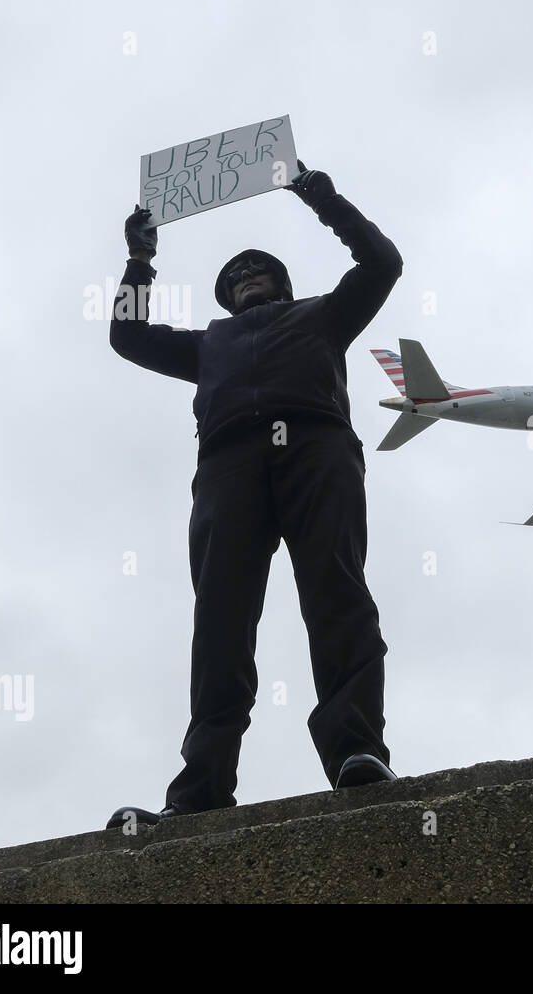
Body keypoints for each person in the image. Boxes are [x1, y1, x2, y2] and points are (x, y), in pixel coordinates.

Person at [105, 161, 403, 828]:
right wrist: (139, 259)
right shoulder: (209, 344)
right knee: (220, 625)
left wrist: (325, 199)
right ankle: (200, 792)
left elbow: (382, 260)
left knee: (337, 593)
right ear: (224, 298)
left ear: (282, 282)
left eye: (256, 268)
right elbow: (126, 335)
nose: (244, 275)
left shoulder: (324, 315)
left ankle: (358, 753)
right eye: (233, 274)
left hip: (315, 448)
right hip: (229, 466)